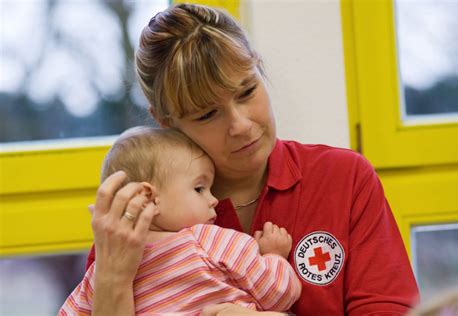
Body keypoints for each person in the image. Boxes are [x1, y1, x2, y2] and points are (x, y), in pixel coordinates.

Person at [87, 3, 420, 315]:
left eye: (246, 92)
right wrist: (113, 281)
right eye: (207, 115)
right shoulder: (140, 214)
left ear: (258, 67)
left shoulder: (342, 179)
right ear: (166, 121)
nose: (241, 126)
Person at [59, 127, 301, 315]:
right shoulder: (208, 240)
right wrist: (274, 256)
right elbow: (277, 293)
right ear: (149, 198)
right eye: (199, 188)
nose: (214, 200)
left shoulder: (101, 271)